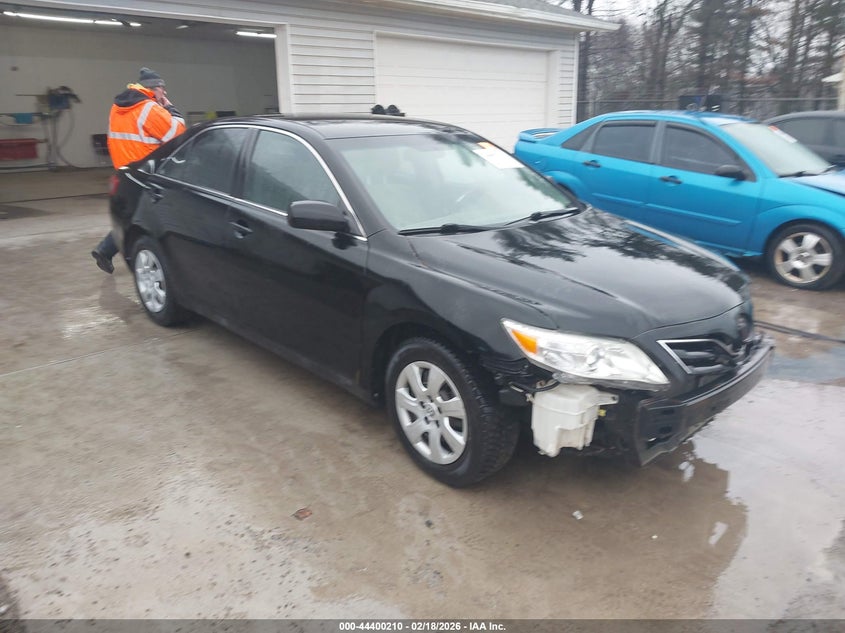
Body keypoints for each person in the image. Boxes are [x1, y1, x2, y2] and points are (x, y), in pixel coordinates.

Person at [91, 67, 186, 274]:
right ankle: (110, 251)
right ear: (153, 89)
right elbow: (177, 133)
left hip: (125, 170)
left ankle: (105, 251)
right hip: (147, 172)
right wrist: (171, 109)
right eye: (163, 89)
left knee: (133, 213)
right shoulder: (149, 108)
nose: (165, 94)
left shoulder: (117, 107)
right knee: (143, 216)